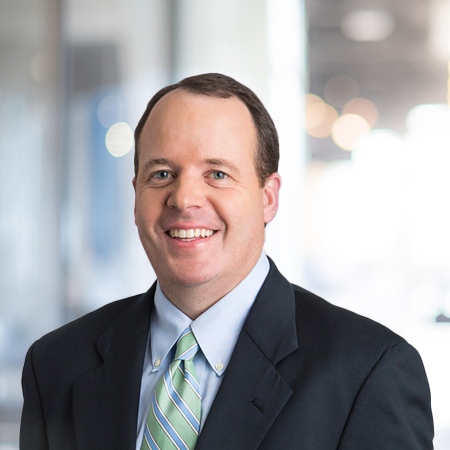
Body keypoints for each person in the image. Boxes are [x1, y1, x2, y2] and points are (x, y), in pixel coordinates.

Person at [20, 73, 434, 450]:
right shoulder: (56, 364)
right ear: (135, 195)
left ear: (268, 198)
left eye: (217, 174)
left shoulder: (369, 372)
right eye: (161, 174)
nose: (184, 199)